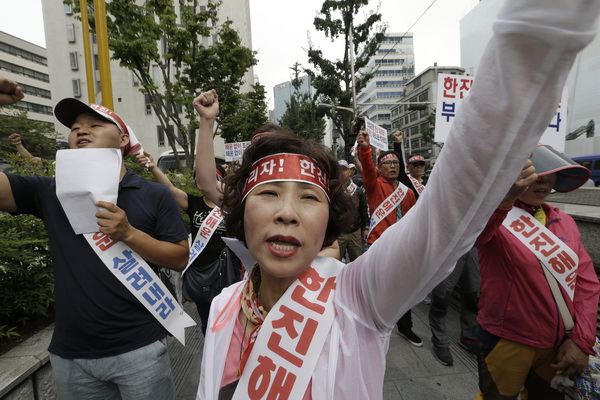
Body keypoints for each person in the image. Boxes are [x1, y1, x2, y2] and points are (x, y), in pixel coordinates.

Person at [195, 0, 600, 396]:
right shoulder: (225, 305)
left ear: (329, 223)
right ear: (240, 210)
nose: (286, 213)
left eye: (308, 198)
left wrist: (544, 21)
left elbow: (448, 206)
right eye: (268, 194)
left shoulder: (358, 296)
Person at [0, 83, 190, 399]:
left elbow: (179, 257)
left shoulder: (154, 194)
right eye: (74, 128)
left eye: (94, 124)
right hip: (71, 355)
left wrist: (129, 234)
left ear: (124, 139)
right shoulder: (49, 191)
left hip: (140, 347)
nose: (80, 131)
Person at [475, 144, 600, 399]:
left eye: (551, 173)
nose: (544, 181)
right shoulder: (495, 216)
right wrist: (505, 198)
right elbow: (473, 235)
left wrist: (581, 340)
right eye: (534, 173)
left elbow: (586, 282)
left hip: (559, 345)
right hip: (506, 340)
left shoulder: (564, 220)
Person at [136, 151, 241, 336]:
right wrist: (152, 167)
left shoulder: (232, 206)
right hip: (200, 271)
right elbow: (169, 189)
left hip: (227, 272)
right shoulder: (193, 203)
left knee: (229, 322)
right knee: (206, 322)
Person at [358, 133, 421, 346]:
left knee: (403, 289)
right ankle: (367, 326)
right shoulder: (375, 185)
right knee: (375, 288)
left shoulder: (409, 193)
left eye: (396, 163)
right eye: (388, 163)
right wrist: (365, 149)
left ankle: (406, 327)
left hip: (402, 247)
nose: (393, 166)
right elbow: (366, 169)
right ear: (379, 168)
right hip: (378, 245)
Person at [336, 159, 369, 262]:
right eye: (339, 170)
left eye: (344, 170)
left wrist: (366, 227)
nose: (342, 172)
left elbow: (363, 209)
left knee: (357, 260)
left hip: (355, 231)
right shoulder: (333, 189)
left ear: (350, 171)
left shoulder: (358, 190)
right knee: (335, 260)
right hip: (338, 232)